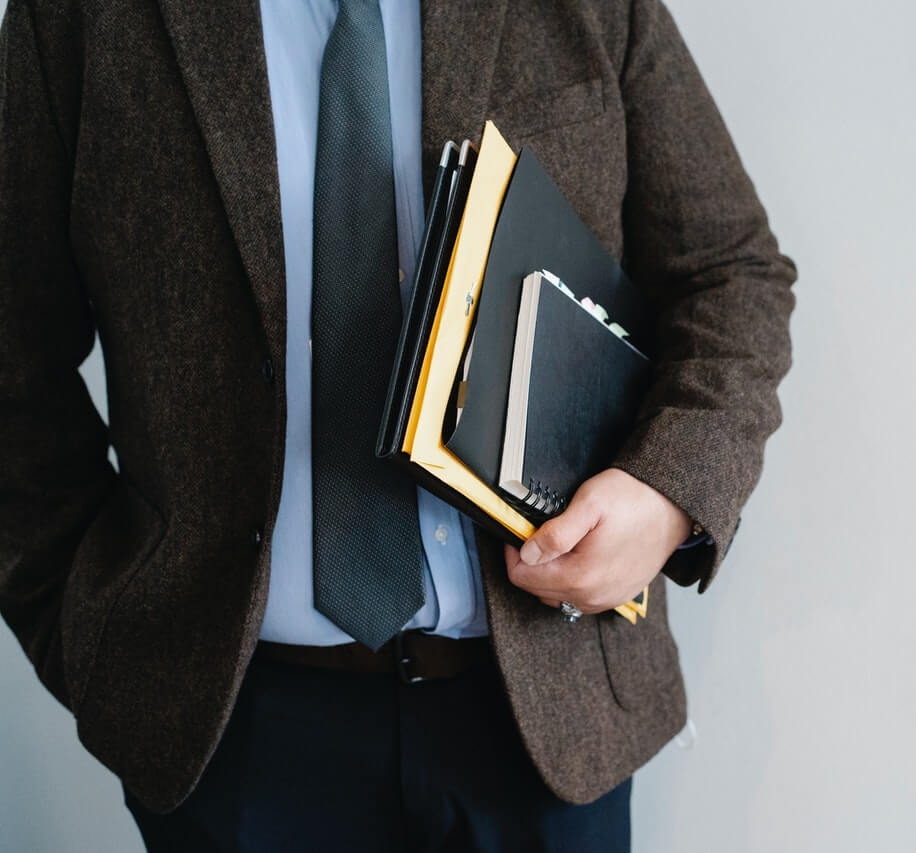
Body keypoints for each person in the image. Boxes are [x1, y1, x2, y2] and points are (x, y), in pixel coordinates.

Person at [0, 0, 795, 849]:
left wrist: (670, 491)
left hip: (547, 719)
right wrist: (93, 641)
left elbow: (729, 272)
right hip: (232, 738)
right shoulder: (79, 17)